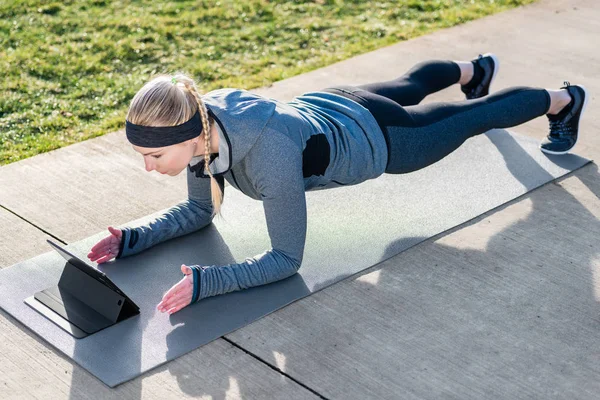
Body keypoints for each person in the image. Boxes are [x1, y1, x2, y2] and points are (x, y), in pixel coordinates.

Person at [87, 53, 588, 315]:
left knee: (472, 116)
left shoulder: (270, 155)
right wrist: (133, 238)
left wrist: (208, 281)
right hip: (334, 103)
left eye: (155, 155)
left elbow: (287, 260)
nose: (149, 167)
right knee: (411, 85)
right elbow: (199, 212)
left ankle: (562, 99)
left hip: (386, 142)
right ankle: (475, 67)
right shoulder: (204, 128)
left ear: (190, 135)